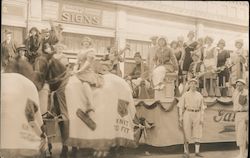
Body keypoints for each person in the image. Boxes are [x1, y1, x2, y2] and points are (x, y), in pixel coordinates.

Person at [73, 36, 104, 113]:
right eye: (85, 42)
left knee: (85, 83)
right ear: (82, 43)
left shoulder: (91, 51)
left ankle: (90, 104)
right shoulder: (80, 52)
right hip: (79, 71)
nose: (86, 43)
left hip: (87, 71)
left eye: (88, 43)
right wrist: (74, 69)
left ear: (89, 44)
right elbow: (77, 62)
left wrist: (80, 70)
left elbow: (87, 63)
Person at [178, 78, 206, 158]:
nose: (193, 85)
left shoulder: (199, 95)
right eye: (191, 83)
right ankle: (186, 152)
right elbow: (180, 106)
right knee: (186, 131)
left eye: (195, 84)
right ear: (189, 84)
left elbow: (202, 107)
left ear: (196, 85)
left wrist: (202, 118)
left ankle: (197, 151)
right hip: (188, 113)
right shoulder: (185, 94)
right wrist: (180, 117)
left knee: (198, 131)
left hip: (197, 113)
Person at [232, 79, 248, 158]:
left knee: (242, 134)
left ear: (244, 85)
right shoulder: (235, 93)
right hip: (237, 114)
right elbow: (234, 103)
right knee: (238, 134)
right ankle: (241, 153)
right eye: (237, 85)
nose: (238, 86)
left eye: (240, 85)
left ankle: (242, 154)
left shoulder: (246, 93)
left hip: (244, 114)